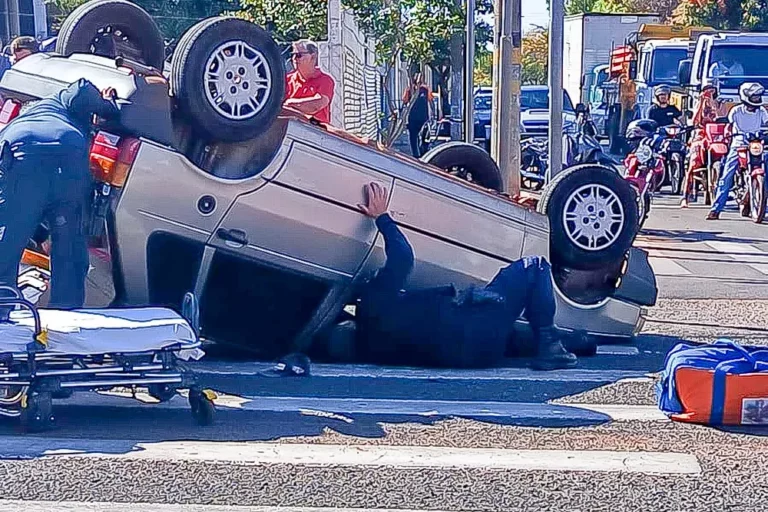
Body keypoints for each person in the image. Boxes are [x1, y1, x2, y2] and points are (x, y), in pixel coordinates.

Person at [351, 182, 578, 371]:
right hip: (471, 327)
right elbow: (402, 257)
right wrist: (382, 218)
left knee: (510, 334)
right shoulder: (374, 303)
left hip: (475, 354)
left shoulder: (372, 347)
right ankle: (550, 346)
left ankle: (578, 341)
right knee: (534, 267)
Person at [0, 78, 119, 313]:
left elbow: (22, 211)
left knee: (7, 243)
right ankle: (66, 316)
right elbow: (82, 87)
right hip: (69, 157)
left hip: (20, 156)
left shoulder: (21, 122)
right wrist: (107, 106)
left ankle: (3, 313)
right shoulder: (59, 100)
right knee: (70, 246)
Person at [707, 82, 768, 220]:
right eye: (754, 97)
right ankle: (716, 209)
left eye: (758, 97)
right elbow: (729, 125)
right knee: (727, 175)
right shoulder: (736, 110)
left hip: (757, 144)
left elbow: (766, 124)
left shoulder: (762, 111)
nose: (756, 99)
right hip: (739, 145)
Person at [680, 84, 728, 208]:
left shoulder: (720, 103)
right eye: (707, 92)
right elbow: (695, 121)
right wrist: (702, 103)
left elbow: (722, 118)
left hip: (717, 133)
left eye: (712, 92)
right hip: (701, 133)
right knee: (693, 162)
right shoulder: (699, 103)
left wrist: (713, 104)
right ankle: (686, 196)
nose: (709, 94)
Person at [284, 39, 335, 125]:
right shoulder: (287, 80)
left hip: (317, 131)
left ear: (313, 56)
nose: (294, 59)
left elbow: (316, 105)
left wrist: (289, 103)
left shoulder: (325, 80)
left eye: (299, 55)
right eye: (292, 55)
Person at [402, 73, 433, 157]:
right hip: (413, 118)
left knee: (424, 136)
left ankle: (423, 152)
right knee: (413, 137)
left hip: (423, 118)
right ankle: (415, 154)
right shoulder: (410, 89)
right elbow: (404, 100)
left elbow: (430, 99)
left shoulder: (425, 89)